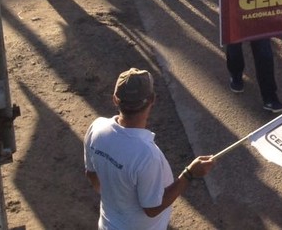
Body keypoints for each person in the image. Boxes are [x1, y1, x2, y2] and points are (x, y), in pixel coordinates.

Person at [84, 68, 214, 230]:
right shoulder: (147, 155)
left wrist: (116, 198)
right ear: (152, 99)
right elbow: (152, 208)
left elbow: (91, 174)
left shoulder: (96, 127)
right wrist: (189, 174)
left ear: (115, 99)